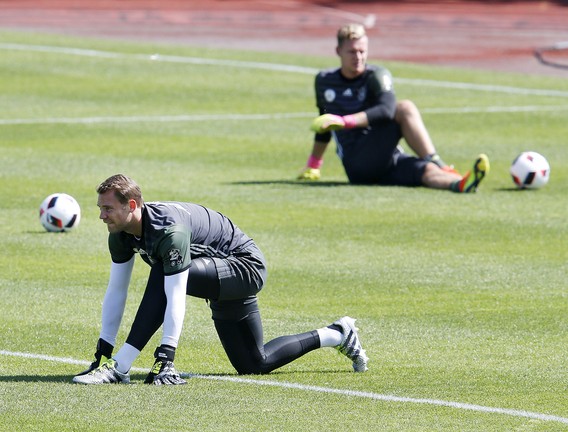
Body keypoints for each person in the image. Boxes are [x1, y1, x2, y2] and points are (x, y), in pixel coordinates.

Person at [73, 174, 368, 385]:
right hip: (216, 273)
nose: (101, 215)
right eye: (100, 208)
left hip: (244, 268)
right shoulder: (120, 233)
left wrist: (166, 355)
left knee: (164, 270)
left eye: (107, 208)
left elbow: (175, 292)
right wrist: (104, 347)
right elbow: (117, 290)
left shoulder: (168, 232)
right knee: (254, 363)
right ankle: (337, 334)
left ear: (132, 206)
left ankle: (121, 367)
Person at [297, 23, 489, 193]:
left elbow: (386, 110)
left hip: (387, 158)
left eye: (362, 51)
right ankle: (441, 164)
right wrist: (314, 164)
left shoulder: (376, 75)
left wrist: (345, 121)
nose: (358, 57)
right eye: (352, 52)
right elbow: (324, 125)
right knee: (405, 108)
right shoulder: (324, 80)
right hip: (358, 163)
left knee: (426, 171)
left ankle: (460, 183)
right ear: (338, 51)